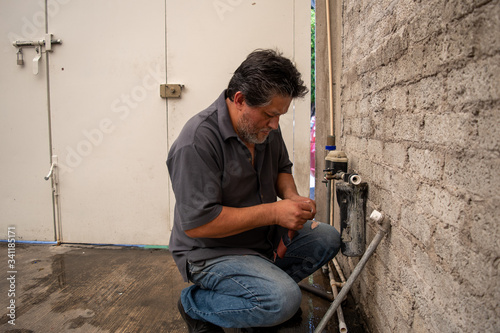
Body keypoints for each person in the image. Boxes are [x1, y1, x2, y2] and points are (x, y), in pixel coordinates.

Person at [167, 49, 341, 332]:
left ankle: (258, 302)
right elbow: (199, 224)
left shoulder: (263, 127)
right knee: (283, 301)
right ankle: (195, 304)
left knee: (326, 238)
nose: (275, 125)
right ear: (239, 100)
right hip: (211, 252)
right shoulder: (197, 141)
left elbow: (282, 168)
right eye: (270, 115)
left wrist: (292, 199)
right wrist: (274, 212)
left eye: (280, 116)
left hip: (260, 240)